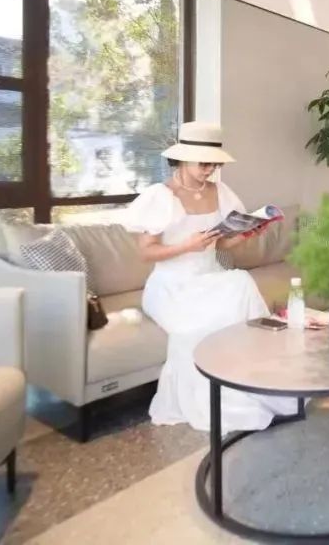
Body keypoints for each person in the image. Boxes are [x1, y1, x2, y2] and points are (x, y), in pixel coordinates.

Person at [123, 122, 297, 432]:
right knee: (197, 326)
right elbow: (146, 253)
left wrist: (247, 234)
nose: (209, 170)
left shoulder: (220, 192)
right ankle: (218, 399)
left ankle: (256, 384)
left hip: (211, 277)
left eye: (214, 164)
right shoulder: (160, 196)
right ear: (183, 159)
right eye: (204, 164)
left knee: (241, 283)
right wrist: (186, 246)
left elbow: (221, 245)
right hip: (171, 287)